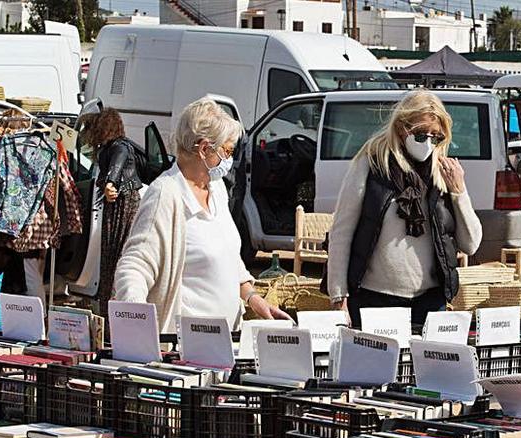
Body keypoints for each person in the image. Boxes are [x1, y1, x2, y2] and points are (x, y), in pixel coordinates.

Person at [114, 98, 290, 333]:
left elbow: (228, 257)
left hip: (228, 341)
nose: (229, 159)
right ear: (204, 149)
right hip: (188, 348)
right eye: (227, 151)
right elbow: (134, 266)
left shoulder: (216, 189)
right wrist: (137, 325)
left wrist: (253, 298)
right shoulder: (165, 194)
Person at [327, 90, 482, 328]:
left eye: (436, 137)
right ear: (401, 128)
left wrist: (460, 191)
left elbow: (470, 244)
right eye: (420, 135)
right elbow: (341, 231)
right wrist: (338, 296)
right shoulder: (372, 163)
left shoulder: (442, 171)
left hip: (430, 301)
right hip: (374, 299)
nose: (428, 144)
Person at [84, 108, 143, 318]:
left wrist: (110, 183)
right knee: (113, 258)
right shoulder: (112, 147)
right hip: (119, 205)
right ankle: (110, 315)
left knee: (117, 257)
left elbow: (115, 170)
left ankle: (112, 315)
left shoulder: (119, 147)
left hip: (122, 205)